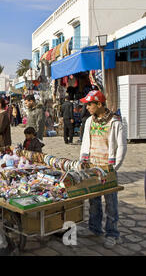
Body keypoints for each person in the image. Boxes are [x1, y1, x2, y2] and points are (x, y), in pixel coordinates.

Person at [79, 90, 127, 249]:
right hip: (92, 166)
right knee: (93, 199)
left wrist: (113, 168)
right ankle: (95, 228)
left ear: (99, 104)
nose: (87, 107)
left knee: (111, 203)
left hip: (108, 168)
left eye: (90, 104)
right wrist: (83, 162)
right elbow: (85, 142)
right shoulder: (89, 122)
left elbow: (121, 147)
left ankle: (113, 233)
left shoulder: (115, 122)